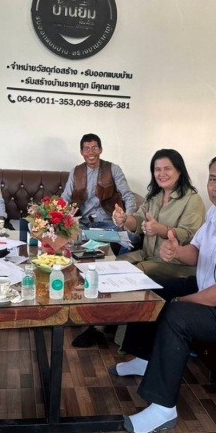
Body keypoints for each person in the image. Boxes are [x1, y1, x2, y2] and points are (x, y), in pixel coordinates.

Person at [113, 153, 216, 433]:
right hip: (213, 290)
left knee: (177, 313)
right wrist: (176, 251)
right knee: (152, 282)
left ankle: (163, 408)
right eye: (213, 179)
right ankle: (145, 358)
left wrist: (180, 301)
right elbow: (197, 253)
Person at [61, 133, 139, 347]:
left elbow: (128, 195)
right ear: (81, 152)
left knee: (130, 240)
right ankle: (76, 308)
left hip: (109, 223)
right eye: (86, 148)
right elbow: (65, 198)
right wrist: (58, 216)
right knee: (65, 247)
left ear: (101, 150)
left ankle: (112, 308)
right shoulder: (76, 171)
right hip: (84, 224)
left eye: (95, 148)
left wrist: (127, 217)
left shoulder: (113, 169)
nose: (91, 152)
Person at [112, 148, 205, 280]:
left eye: (167, 169)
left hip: (175, 263)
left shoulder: (193, 199)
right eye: (157, 169)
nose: (162, 174)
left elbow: (188, 234)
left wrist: (160, 229)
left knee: (132, 274)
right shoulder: (154, 196)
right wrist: (124, 218)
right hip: (146, 256)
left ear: (179, 171)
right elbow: (139, 220)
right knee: (113, 266)